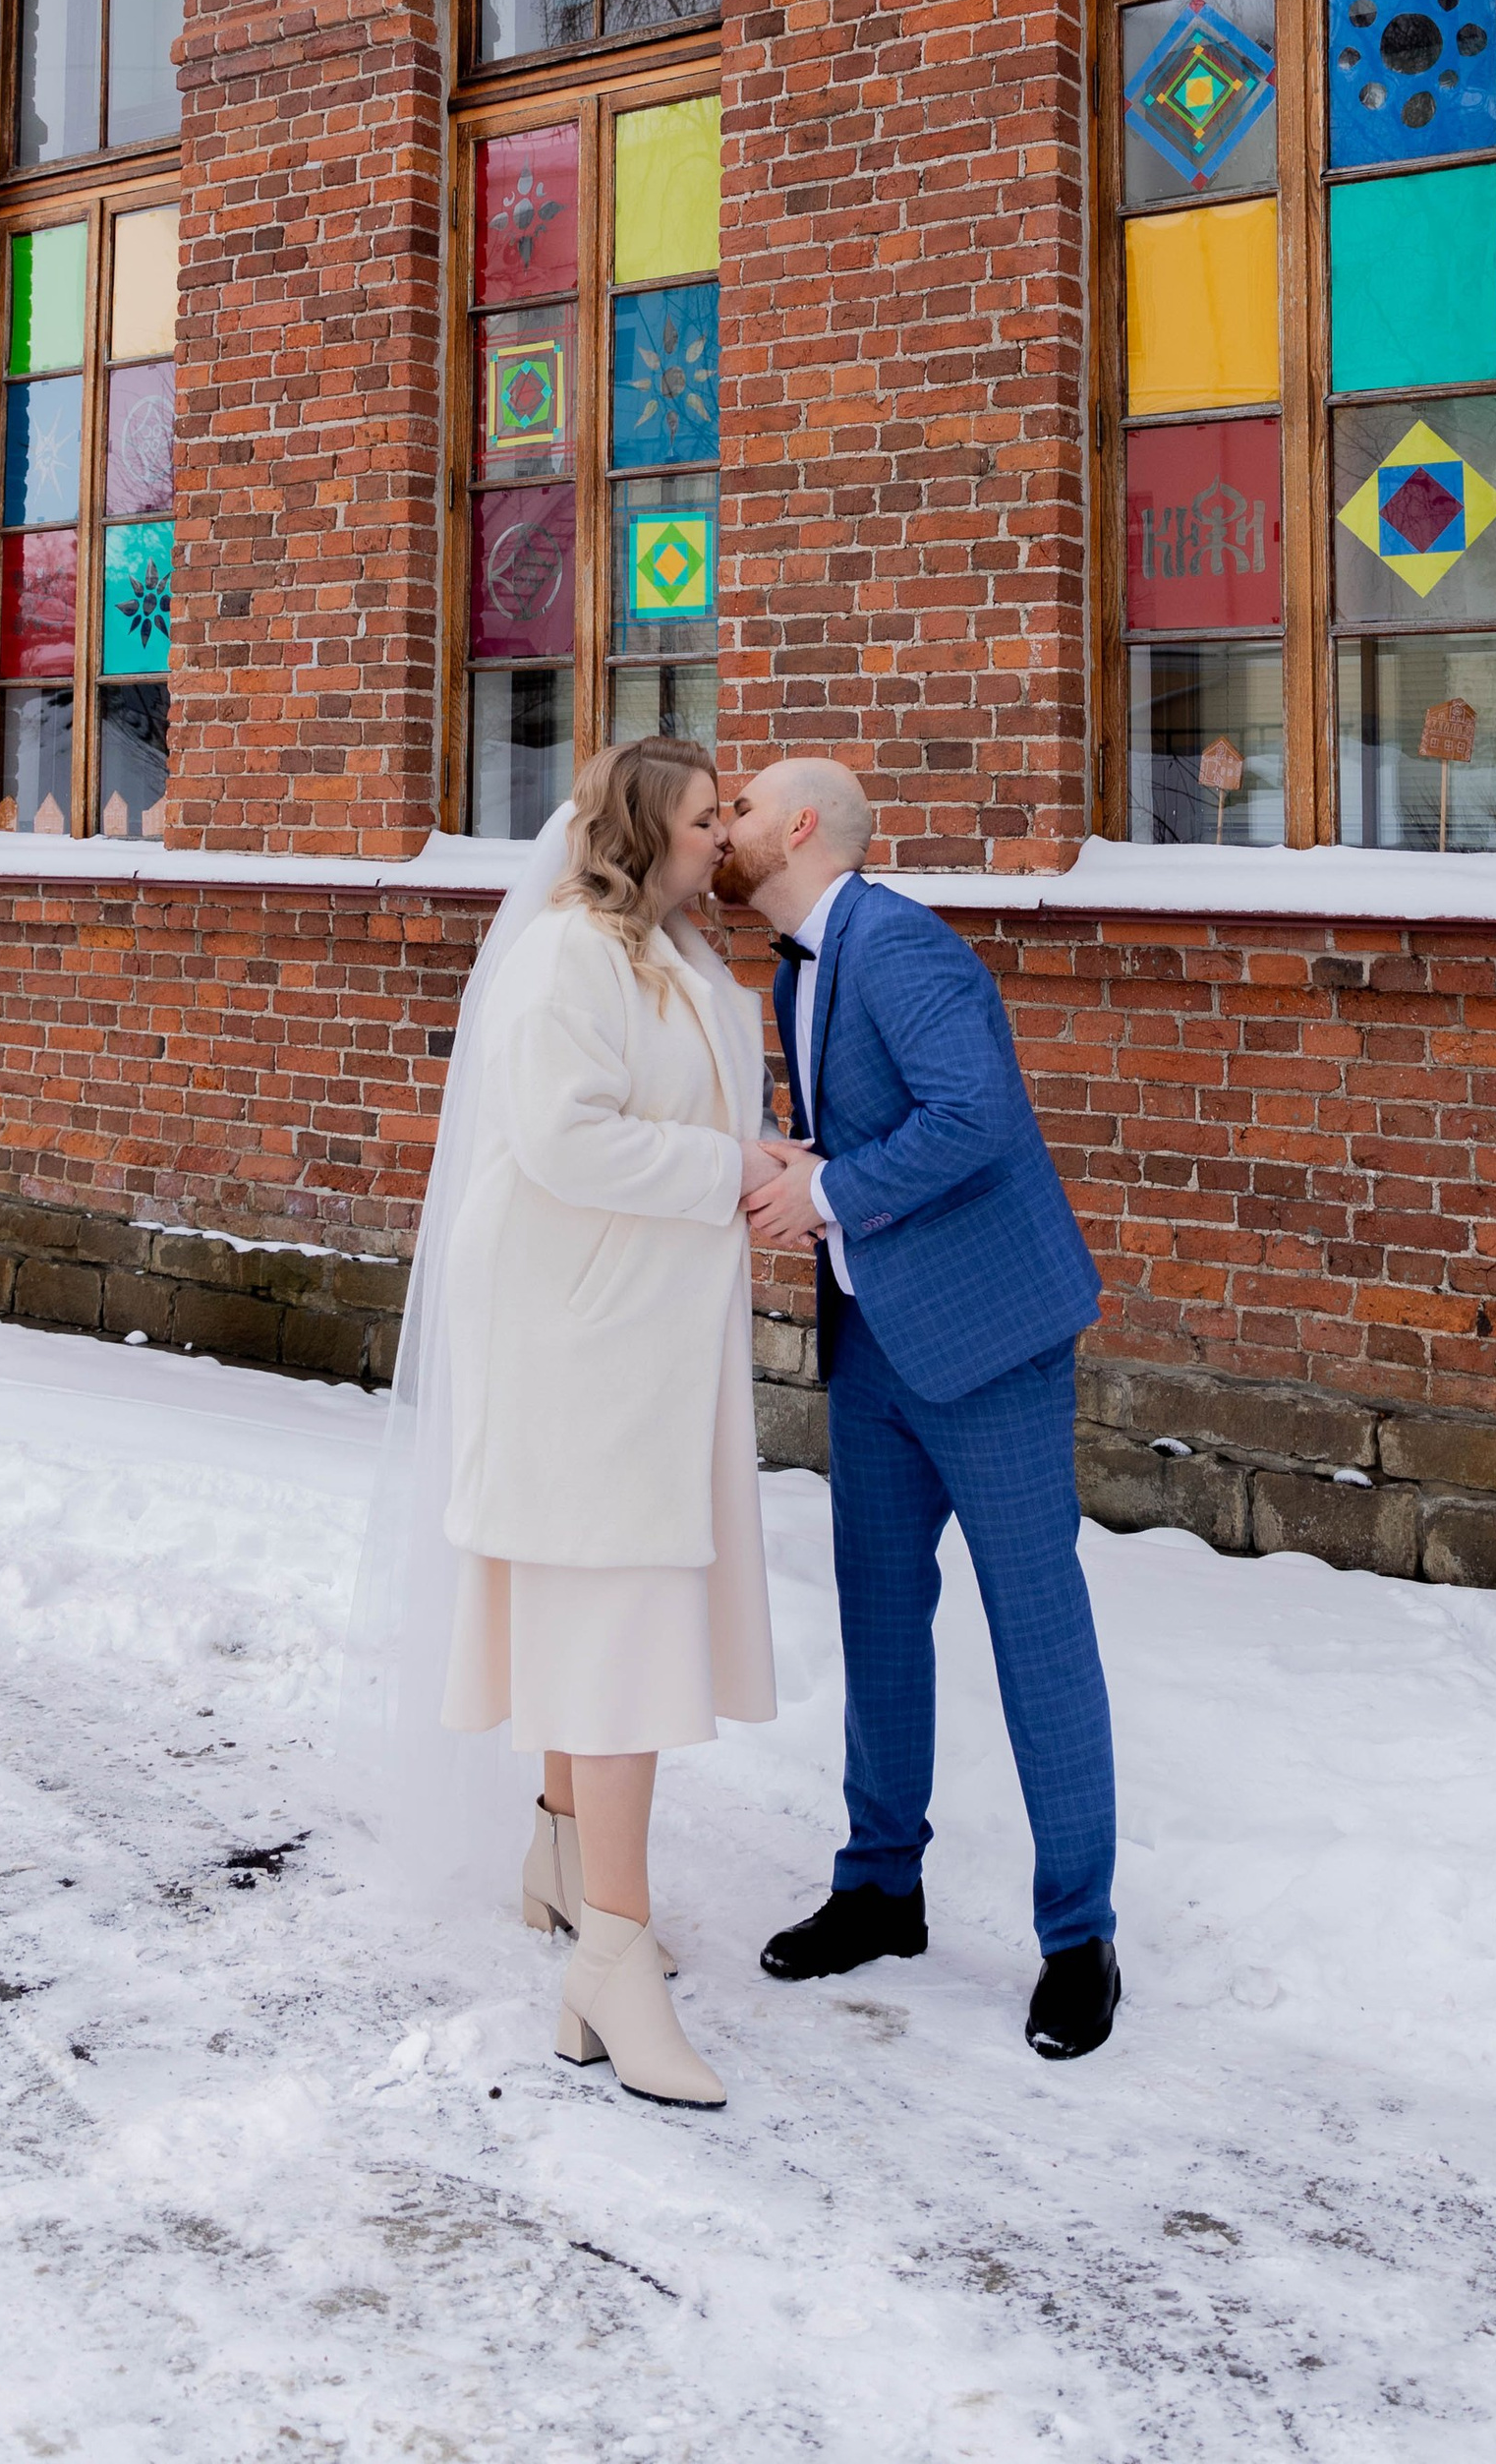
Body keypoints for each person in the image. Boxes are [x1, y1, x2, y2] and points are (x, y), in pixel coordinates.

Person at [349, 736, 779, 2109]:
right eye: (710, 818)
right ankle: (612, 1952)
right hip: (581, 1344)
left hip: (646, 1341)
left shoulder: (680, 958)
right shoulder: (564, 959)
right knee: (621, 1635)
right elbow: (566, 1139)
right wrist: (732, 1171)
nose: (730, 837)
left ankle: (558, 1849)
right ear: (647, 829)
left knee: (610, 1612)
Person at [721, 758, 1123, 2059]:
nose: (718, 831)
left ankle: (1079, 1941)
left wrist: (828, 1193)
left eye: (735, 813)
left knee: (1035, 1630)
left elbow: (978, 1119)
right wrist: (801, 1158)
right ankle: (881, 1889)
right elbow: (868, 1128)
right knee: (881, 1624)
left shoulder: (901, 946)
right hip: (875, 1346)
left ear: (797, 827)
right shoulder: (795, 964)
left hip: (989, 1340)